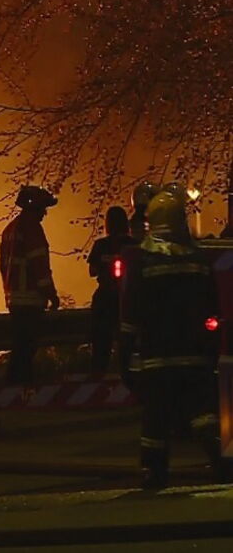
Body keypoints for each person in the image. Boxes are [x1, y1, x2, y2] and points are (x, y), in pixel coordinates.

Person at [120, 188, 223, 489]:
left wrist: (125, 358)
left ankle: (154, 474)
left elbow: (130, 315)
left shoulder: (142, 261)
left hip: (156, 358)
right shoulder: (199, 260)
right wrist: (211, 349)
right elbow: (213, 309)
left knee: (155, 420)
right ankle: (221, 461)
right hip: (195, 356)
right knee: (203, 413)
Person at [0, 185, 60, 387]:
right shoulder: (31, 228)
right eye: (43, 208)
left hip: (14, 299)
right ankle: (19, 390)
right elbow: (39, 265)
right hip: (31, 299)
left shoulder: (9, 229)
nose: (45, 213)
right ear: (33, 207)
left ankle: (14, 389)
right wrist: (51, 294)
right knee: (26, 349)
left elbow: (3, 266)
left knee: (20, 348)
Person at [87, 207, 135, 374]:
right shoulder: (134, 245)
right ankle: (128, 373)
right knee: (130, 342)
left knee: (101, 342)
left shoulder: (100, 245)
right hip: (129, 299)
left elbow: (92, 271)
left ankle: (98, 375)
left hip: (105, 299)